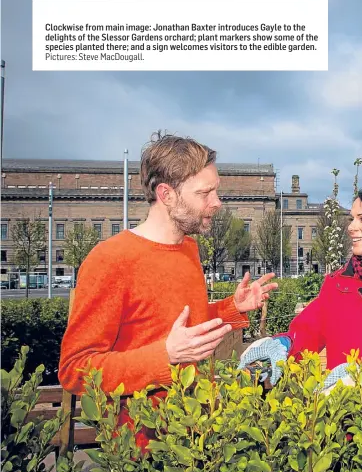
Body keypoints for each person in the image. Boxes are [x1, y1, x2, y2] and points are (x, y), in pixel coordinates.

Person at [58, 132, 278, 447]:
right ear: (167, 194)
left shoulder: (189, 249)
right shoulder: (111, 259)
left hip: (195, 437)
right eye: (205, 193)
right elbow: (74, 369)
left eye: (216, 191)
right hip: (140, 458)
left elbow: (178, 326)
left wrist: (233, 309)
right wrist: (166, 356)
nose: (217, 203)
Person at [239, 190, 362, 389]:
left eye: (361, 218)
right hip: (340, 414)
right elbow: (307, 333)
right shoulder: (337, 285)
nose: (351, 227)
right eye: (352, 218)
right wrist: (283, 346)